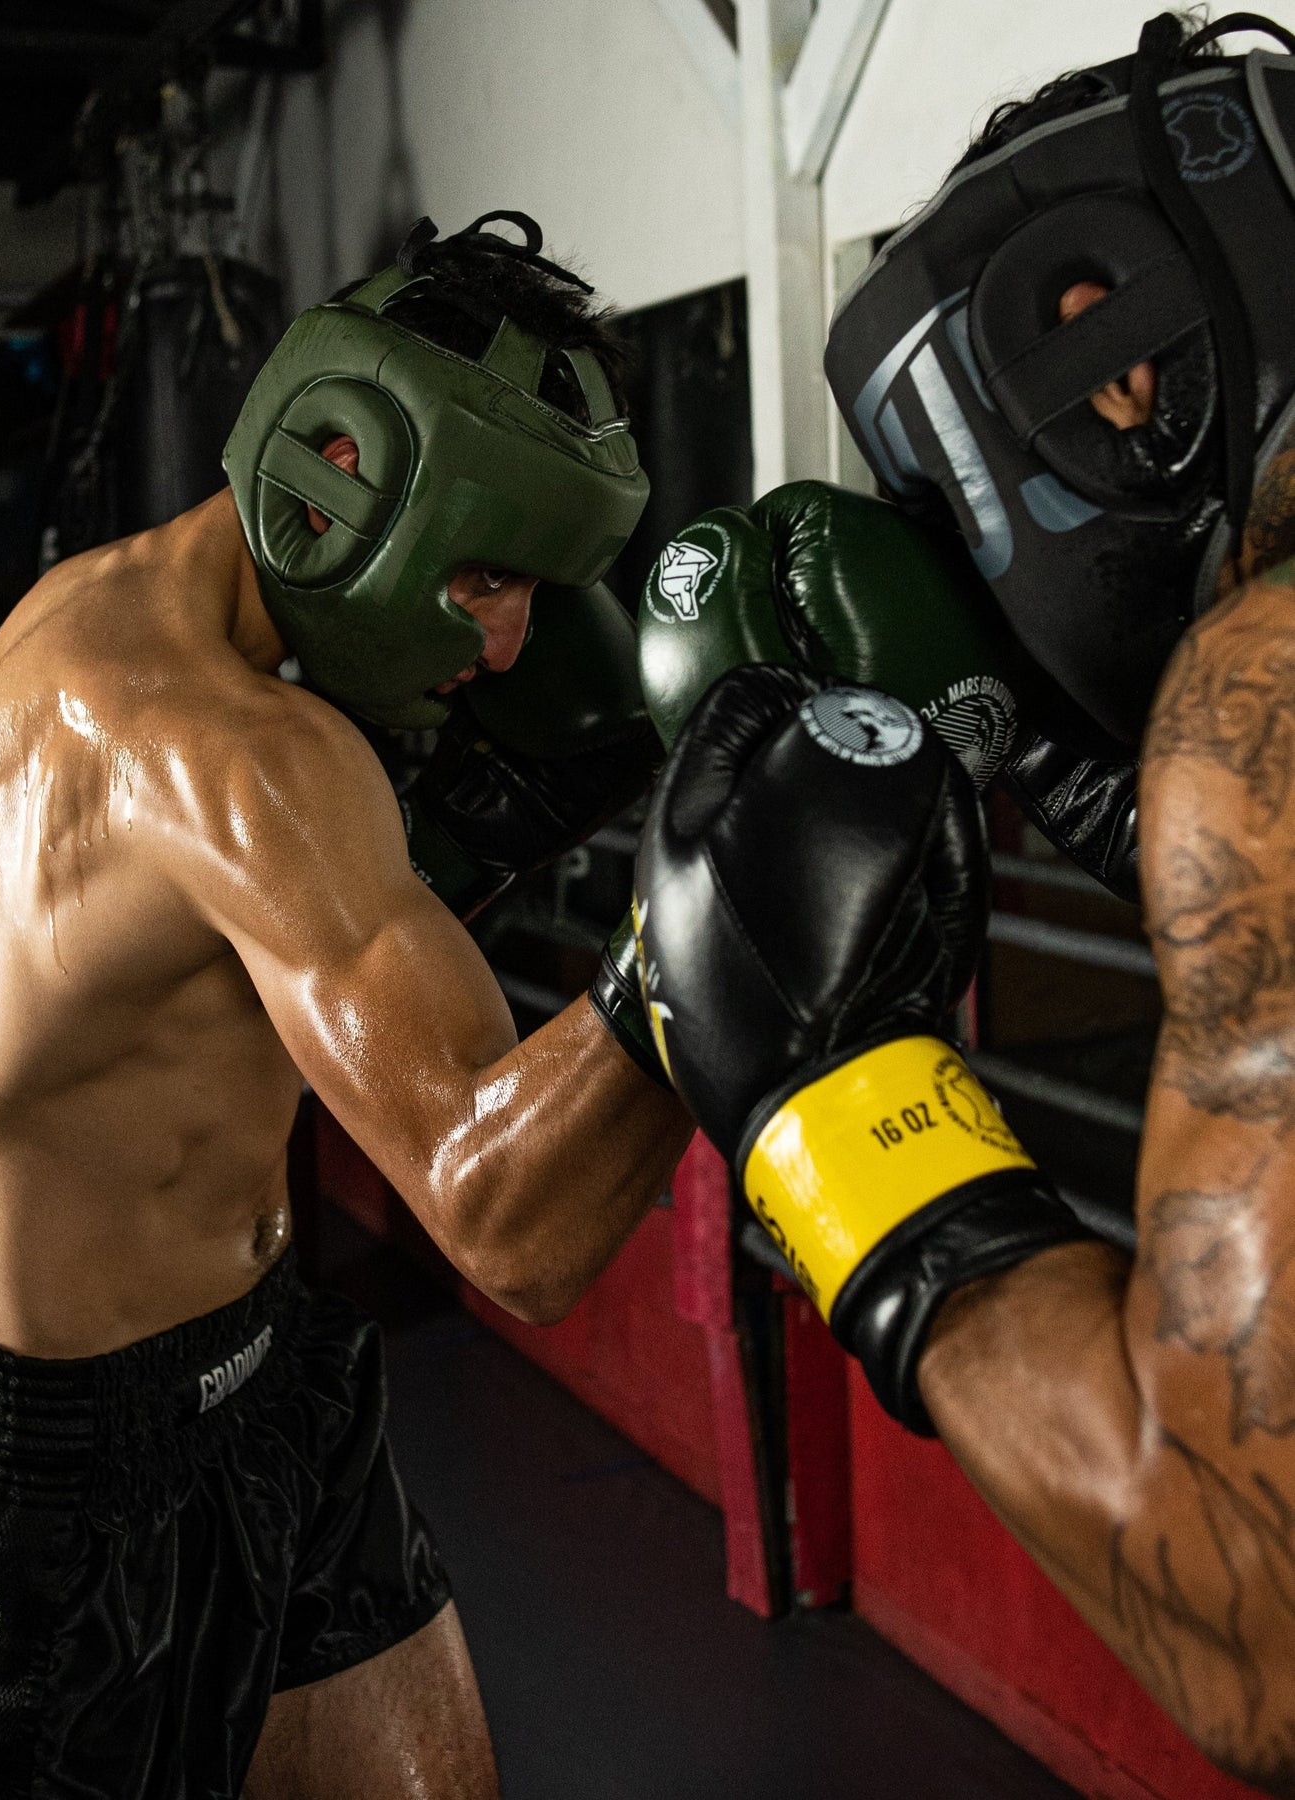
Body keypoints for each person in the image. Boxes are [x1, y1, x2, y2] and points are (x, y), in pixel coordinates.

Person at [0, 213, 693, 1800]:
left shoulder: (105, 607)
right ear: (338, 467)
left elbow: (204, 981)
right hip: (48, 1483)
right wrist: (715, 922)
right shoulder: (237, 751)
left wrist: (461, 846)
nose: (509, 641)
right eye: (488, 575)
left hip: (267, 1383)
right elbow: (515, 1230)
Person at [630, 13, 1295, 1795]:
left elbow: (1263, 1615)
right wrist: (1113, 800)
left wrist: (832, 1107)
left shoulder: (1269, 690)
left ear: (1105, 349)